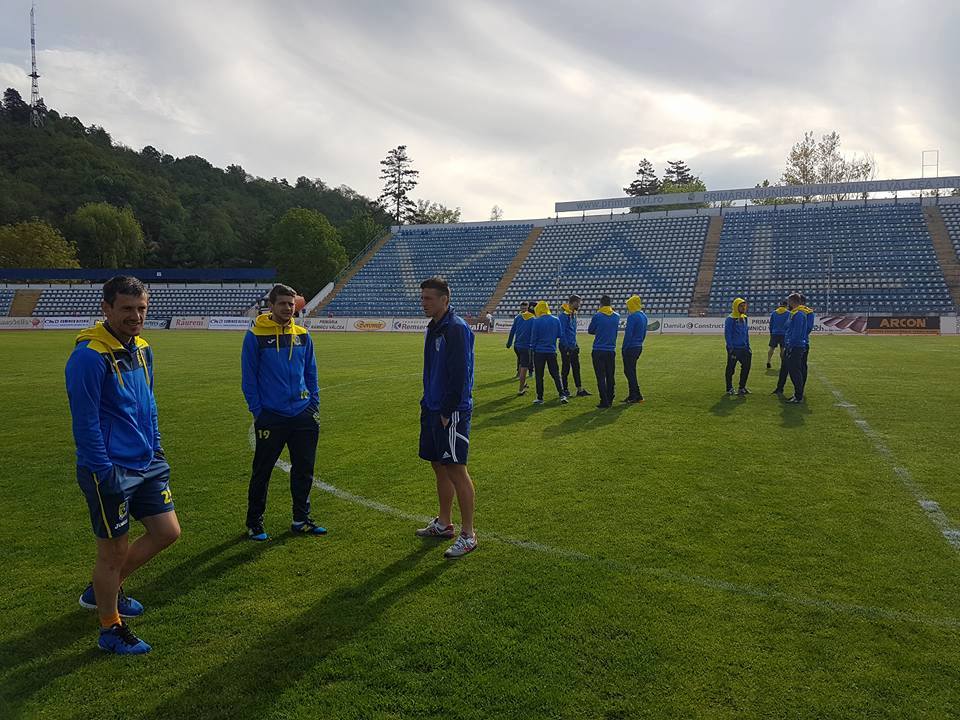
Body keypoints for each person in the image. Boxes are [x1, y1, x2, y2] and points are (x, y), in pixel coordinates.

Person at [66, 276, 181, 655]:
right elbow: (85, 423)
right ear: (107, 309)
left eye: (142, 308)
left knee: (167, 531)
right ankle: (109, 628)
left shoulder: (143, 348)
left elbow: (149, 403)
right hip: (110, 468)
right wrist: (103, 471)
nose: (136, 316)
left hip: (147, 462)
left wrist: (158, 449)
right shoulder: (88, 357)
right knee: (112, 552)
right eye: (127, 309)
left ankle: (102, 590)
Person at [241, 284, 325, 541]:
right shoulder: (255, 335)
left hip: (303, 414)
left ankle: (301, 519)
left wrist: (314, 405)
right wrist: (258, 411)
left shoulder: (302, 334)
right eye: (283, 304)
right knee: (262, 471)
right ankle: (254, 523)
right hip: (271, 415)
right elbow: (249, 378)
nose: (288, 308)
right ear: (271, 306)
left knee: (304, 469)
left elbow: (311, 372)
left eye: (291, 304)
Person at [414, 276, 478, 558]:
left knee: (456, 468)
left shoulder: (455, 328)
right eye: (422, 298)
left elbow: (460, 375)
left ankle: (468, 534)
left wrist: (447, 410)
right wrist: (429, 404)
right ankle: (444, 523)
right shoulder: (435, 327)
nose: (423, 303)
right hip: (432, 406)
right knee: (438, 465)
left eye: (429, 298)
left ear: (444, 300)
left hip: (450, 411)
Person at [529, 300, 567, 405]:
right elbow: (560, 334)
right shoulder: (556, 320)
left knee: (539, 375)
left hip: (539, 352)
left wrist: (533, 348)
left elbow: (534, 337)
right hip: (551, 350)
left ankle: (540, 397)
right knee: (555, 374)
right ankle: (562, 394)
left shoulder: (536, 321)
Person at [588, 295, 620, 408]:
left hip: (598, 349)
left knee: (600, 377)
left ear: (601, 304)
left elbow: (590, 330)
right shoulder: (617, 316)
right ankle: (610, 398)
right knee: (610, 375)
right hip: (611, 350)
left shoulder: (597, 316)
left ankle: (604, 401)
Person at [781, 292, 814, 403]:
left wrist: (791, 343)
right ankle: (797, 394)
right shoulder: (795, 313)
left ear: (792, 301)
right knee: (794, 370)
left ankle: (798, 395)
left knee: (796, 371)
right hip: (794, 344)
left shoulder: (799, 314)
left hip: (796, 345)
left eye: (789, 301)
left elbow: (798, 331)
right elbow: (788, 327)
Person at [559, 294, 590, 398]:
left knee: (576, 368)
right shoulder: (563, 315)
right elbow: (562, 333)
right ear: (572, 303)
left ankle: (580, 389)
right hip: (566, 347)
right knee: (566, 368)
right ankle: (565, 389)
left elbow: (572, 331)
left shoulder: (574, 314)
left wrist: (575, 345)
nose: (579, 305)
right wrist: (567, 347)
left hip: (573, 346)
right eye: (578, 303)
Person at [621, 294, 648, 403]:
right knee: (631, 370)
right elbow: (644, 333)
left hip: (630, 347)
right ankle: (634, 394)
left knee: (629, 371)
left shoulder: (632, 317)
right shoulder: (644, 316)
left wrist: (624, 347)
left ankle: (636, 395)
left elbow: (628, 334)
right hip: (638, 346)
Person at [506, 300, 536, 395]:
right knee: (524, 366)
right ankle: (520, 389)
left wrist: (509, 343)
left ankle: (523, 382)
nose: (523, 310)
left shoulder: (518, 317)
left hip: (517, 345)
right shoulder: (533, 319)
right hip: (526, 346)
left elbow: (512, 331)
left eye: (525, 308)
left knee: (521, 362)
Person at [724, 297, 751, 395]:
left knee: (746, 367)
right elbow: (728, 334)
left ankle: (742, 387)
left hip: (744, 348)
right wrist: (731, 348)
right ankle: (729, 388)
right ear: (736, 307)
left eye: (744, 306)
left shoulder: (745, 318)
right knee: (731, 369)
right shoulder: (730, 319)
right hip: (734, 348)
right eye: (741, 306)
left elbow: (746, 333)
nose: (744, 308)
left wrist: (748, 346)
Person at [506, 301, 530, 380]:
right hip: (521, 344)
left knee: (523, 359)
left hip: (526, 343)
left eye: (525, 308)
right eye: (522, 308)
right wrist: (509, 343)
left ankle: (524, 372)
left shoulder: (531, 317)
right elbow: (512, 330)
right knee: (522, 359)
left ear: (528, 308)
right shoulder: (518, 318)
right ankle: (521, 374)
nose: (524, 310)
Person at [767, 300, 789, 369]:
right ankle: (783, 363)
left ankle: (768, 361)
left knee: (771, 348)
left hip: (774, 333)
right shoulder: (788, 313)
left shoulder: (774, 313)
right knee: (782, 349)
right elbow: (788, 324)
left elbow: (771, 324)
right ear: (786, 305)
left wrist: (771, 332)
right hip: (783, 333)